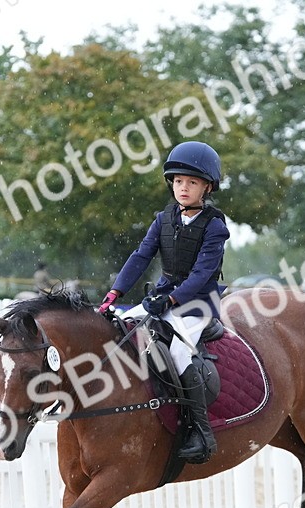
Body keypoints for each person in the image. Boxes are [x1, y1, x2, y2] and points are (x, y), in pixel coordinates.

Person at [97, 141, 230, 464]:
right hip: (162, 295)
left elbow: (201, 274)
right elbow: (141, 255)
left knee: (179, 352)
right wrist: (116, 292)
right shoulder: (163, 219)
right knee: (125, 329)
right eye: (178, 181)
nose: (183, 188)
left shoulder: (215, 227)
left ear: (207, 187)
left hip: (198, 302)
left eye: (192, 182)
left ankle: (201, 432)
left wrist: (170, 298)